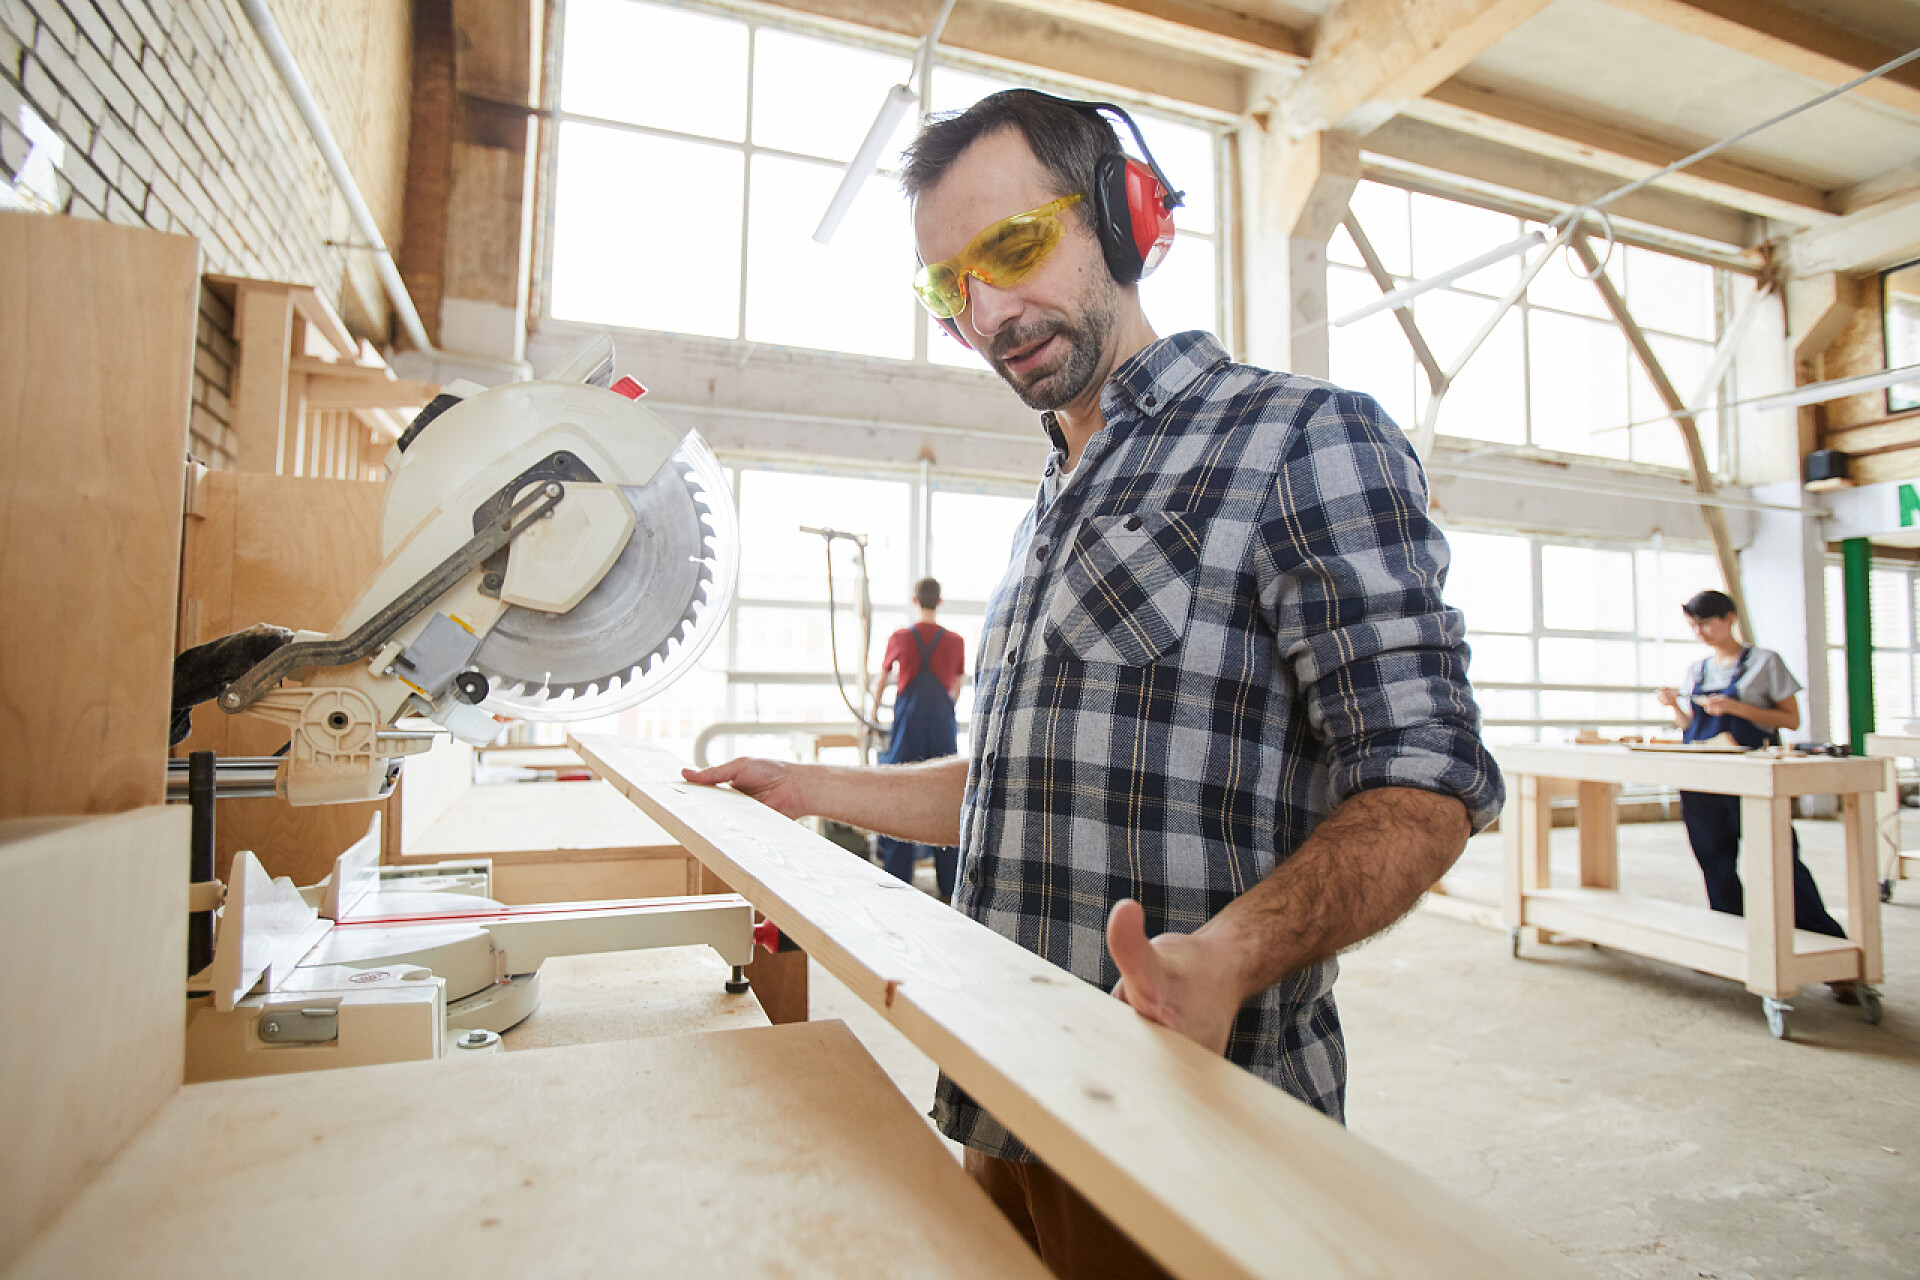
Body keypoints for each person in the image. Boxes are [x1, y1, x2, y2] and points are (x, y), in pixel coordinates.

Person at [684, 90, 1503, 1279]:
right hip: (1001, 1105)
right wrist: (806, 786)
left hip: (1193, 1128)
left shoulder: (1298, 439)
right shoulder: (1049, 502)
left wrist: (1224, 956)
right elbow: (1018, 793)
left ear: (1122, 218)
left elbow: (1428, 779)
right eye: (949, 287)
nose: (990, 312)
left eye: (1014, 249)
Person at [1655, 590, 1854, 993]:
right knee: (1714, 860)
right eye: (1694, 626)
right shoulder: (1697, 669)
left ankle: (1832, 953)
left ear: (1729, 618)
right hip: (1705, 777)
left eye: (1706, 623)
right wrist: (1674, 709)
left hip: (1753, 774)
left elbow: (1790, 719)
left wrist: (1736, 709)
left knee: (1780, 861)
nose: (1701, 633)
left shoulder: (1765, 662)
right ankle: (1734, 945)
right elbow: (1691, 728)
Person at [871, 577, 965, 898]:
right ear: (939, 602)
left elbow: (883, 679)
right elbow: (957, 685)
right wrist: (946, 707)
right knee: (944, 799)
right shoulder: (956, 641)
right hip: (941, 724)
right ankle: (951, 888)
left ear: (915, 601)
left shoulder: (900, 637)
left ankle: (897, 885)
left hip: (908, 725)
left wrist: (871, 716)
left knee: (901, 796)